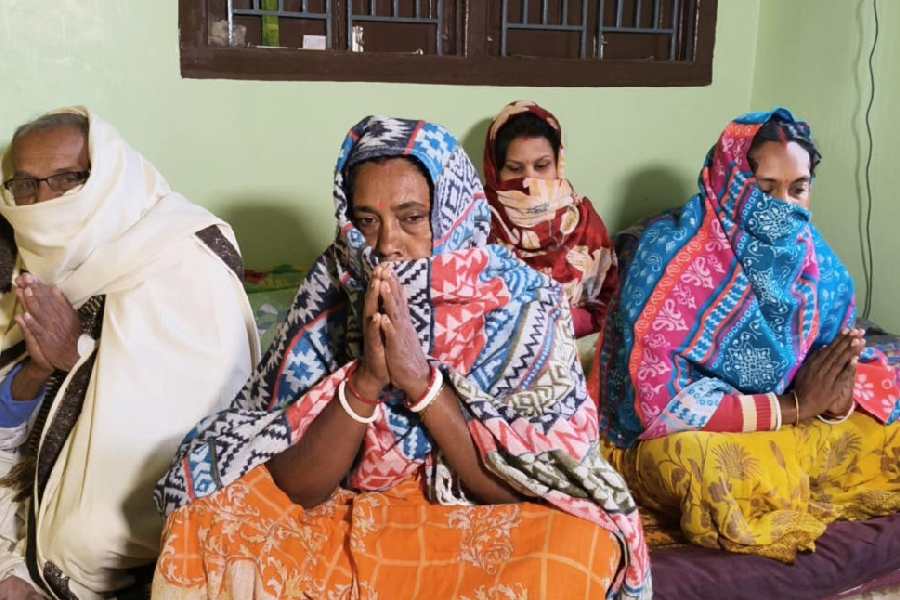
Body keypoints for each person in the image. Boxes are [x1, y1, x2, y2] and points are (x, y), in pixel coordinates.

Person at [152, 116, 651, 599]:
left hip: (480, 518)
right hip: (348, 513)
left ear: (452, 211)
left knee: (581, 543)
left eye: (412, 218)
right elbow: (295, 487)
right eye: (367, 222)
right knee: (205, 521)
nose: (388, 244)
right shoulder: (334, 288)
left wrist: (419, 382)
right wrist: (368, 379)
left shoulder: (524, 303)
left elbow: (532, 485)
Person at [592, 108, 900, 561]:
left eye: (799, 189)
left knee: (884, 425)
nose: (784, 208)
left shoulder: (820, 267)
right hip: (679, 430)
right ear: (729, 184)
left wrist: (835, 404)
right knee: (709, 469)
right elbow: (655, 406)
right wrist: (795, 407)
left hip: (788, 418)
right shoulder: (667, 258)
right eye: (764, 190)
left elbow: (833, 369)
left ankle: (787, 475)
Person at [0, 108, 259, 598]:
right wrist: (40, 367)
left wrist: (75, 353)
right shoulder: (25, 260)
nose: (43, 202)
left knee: (91, 534)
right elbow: (12, 396)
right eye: (26, 186)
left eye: (65, 180)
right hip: (25, 473)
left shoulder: (180, 256)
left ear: (108, 177)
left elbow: (190, 415)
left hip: (127, 491)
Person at [483, 100, 617, 338]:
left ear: (558, 164)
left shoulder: (583, 219)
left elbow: (610, 301)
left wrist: (559, 325)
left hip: (575, 352)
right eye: (515, 169)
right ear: (495, 171)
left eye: (542, 166)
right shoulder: (478, 222)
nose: (529, 180)